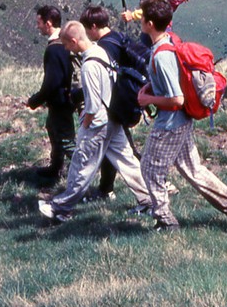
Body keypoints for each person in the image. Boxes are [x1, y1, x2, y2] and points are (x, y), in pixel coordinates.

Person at [136, 0, 227, 231]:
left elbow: (177, 99)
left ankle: (165, 220)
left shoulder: (161, 55)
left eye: (142, 18)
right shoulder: (170, 41)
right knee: (193, 169)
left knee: (150, 169)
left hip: (170, 124)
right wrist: (152, 86)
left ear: (149, 24)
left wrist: (148, 99)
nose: (140, 20)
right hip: (183, 120)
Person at [38, 22, 152, 223]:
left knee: (82, 165)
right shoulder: (101, 52)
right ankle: (150, 200)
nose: (65, 49)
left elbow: (91, 104)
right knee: (127, 161)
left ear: (74, 41)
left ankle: (61, 208)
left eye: (66, 44)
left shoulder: (89, 65)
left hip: (97, 123)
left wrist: (85, 125)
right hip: (113, 117)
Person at [80, 5, 146, 203]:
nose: (86, 34)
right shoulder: (117, 37)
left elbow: (103, 80)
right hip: (127, 98)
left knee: (126, 151)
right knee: (116, 147)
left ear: (93, 26)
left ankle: (154, 186)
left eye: (87, 29)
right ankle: (105, 188)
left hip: (115, 103)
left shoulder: (103, 47)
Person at [24, 5, 77, 185]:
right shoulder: (65, 43)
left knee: (66, 139)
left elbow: (52, 82)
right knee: (53, 130)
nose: (37, 26)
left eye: (39, 23)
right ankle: (56, 167)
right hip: (66, 99)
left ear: (48, 23)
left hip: (60, 101)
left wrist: (35, 100)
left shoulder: (54, 49)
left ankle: (83, 173)